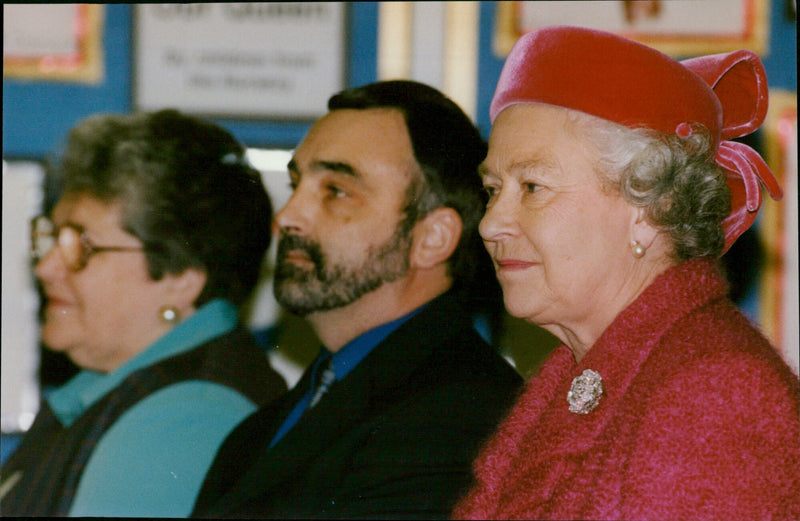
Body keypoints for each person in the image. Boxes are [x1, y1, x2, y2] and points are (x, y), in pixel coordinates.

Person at [452, 26, 800, 521]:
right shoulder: (577, 376)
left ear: (650, 206)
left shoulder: (714, 396)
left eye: (531, 187)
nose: (490, 223)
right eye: (492, 189)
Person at [191, 80, 523, 519]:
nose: (288, 216)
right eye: (296, 185)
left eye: (337, 191)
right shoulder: (264, 427)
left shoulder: (461, 419)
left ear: (432, 238)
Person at [0, 109, 287, 517]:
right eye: (51, 236)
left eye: (81, 245)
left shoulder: (185, 422)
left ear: (181, 278)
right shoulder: (127, 392)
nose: (47, 266)